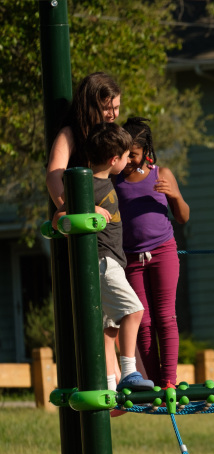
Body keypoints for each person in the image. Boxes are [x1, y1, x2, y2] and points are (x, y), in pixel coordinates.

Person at [114, 117, 190, 389]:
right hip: (131, 259)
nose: (127, 159)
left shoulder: (163, 174)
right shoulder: (115, 180)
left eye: (132, 154)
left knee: (166, 317)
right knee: (142, 321)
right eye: (123, 153)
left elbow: (182, 217)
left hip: (163, 252)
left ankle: (169, 381)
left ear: (146, 151)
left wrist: (176, 196)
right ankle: (152, 382)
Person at [85, 122, 154, 392]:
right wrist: (87, 210)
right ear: (114, 160)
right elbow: (61, 216)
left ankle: (109, 387)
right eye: (125, 156)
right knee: (134, 310)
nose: (127, 161)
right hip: (104, 262)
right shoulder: (89, 186)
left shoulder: (101, 181)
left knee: (109, 327)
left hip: (111, 262)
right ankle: (130, 373)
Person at [47, 72, 122, 229]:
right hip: (82, 224)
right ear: (91, 107)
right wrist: (79, 210)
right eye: (107, 109)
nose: (113, 115)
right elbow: (53, 176)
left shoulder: (111, 134)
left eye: (116, 108)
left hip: (109, 225)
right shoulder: (70, 134)